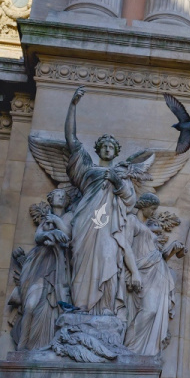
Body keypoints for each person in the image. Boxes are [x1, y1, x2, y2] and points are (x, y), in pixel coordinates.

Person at [64, 86, 141, 317]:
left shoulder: (121, 174)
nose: (107, 148)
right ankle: (80, 308)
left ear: (116, 152)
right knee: (81, 261)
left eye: (111, 146)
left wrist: (117, 181)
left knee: (109, 256)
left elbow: (130, 200)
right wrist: (73, 106)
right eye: (104, 146)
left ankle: (105, 308)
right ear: (98, 149)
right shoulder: (87, 167)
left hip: (108, 225)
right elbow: (71, 138)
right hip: (86, 221)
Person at [9, 189, 73, 350]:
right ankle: (22, 346)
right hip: (39, 264)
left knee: (50, 307)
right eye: (57, 195)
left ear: (67, 201)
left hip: (58, 265)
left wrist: (56, 226)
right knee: (30, 305)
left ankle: (43, 345)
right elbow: (38, 237)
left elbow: (69, 235)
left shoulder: (69, 217)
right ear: (51, 200)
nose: (60, 197)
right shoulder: (46, 219)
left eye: (63, 196)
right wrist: (49, 233)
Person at [124, 193, 185, 355]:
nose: (153, 212)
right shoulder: (132, 221)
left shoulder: (148, 229)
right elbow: (126, 248)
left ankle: (143, 351)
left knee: (154, 311)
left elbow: (160, 256)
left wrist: (173, 247)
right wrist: (134, 273)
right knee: (148, 310)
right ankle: (129, 349)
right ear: (143, 206)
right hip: (143, 272)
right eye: (152, 208)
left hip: (157, 273)